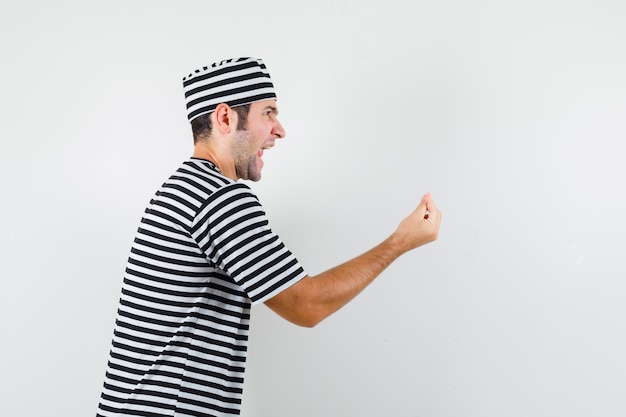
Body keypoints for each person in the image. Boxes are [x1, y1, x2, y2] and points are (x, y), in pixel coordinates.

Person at [97, 57, 441, 417]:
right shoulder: (219, 198)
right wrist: (400, 242)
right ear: (226, 118)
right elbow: (307, 305)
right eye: (268, 113)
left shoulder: (181, 189)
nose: (279, 130)